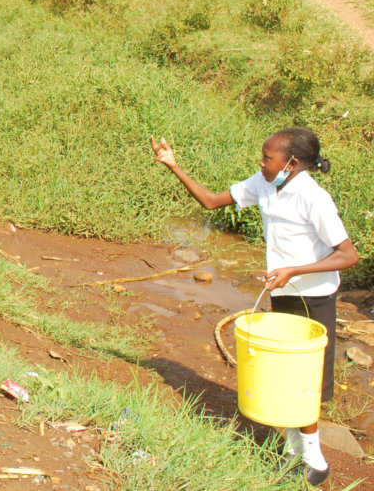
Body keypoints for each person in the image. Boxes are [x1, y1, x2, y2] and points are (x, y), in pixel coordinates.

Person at [150, 127, 358, 485]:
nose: (261, 163)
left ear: (291, 163)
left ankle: (315, 460)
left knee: (303, 382)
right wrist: (173, 165)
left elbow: (348, 255)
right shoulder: (264, 183)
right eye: (262, 156)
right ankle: (295, 451)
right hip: (282, 292)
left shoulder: (313, 197)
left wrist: (294, 269)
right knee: (283, 373)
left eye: (267, 158)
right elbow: (212, 201)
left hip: (313, 297)